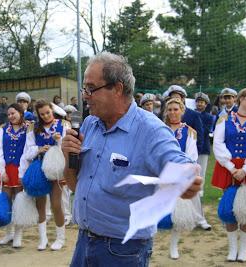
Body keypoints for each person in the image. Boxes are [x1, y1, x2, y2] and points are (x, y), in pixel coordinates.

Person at [62, 52, 202, 266]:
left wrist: (185, 175)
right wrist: (68, 159)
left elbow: (175, 159)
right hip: (84, 241)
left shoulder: (151, 130)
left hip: (122, 251)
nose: (85, 95)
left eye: (91, 88)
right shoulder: (90, 124)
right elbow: (76, 185)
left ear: (117, 89)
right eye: (84, 89)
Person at [212, 88, 246, 262]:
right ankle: (232, 248)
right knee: (229, 209)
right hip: (228, 168)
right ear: (241, 99)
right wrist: (231, 167)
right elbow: (218, 143)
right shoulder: (225, 119)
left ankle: (243, 250)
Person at [19, 99, 67, 251]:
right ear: (38, 115)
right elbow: (27, 151)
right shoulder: (33, 128)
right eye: (42, 114)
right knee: (40, 204)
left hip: (56, 168)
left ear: (52, 110)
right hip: (39, 169)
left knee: (56, 204)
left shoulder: (63, 125)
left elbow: (67, 148)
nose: (46, 116)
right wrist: (39, 150)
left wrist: (59, 142)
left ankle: (60, 238)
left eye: (48, 112)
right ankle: (43, 238)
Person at [162, 98, 204, 259]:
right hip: (161, 175)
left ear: (182, 111)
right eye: (170, 109)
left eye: (176, 109)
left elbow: (191, 156)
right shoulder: (160, 129)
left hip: (179, 177)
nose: (173, 112)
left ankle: (173, 246)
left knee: (177, 212)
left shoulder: (190, 132)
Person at [0, 103, 28, 247]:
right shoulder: (2, 130)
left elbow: (27, 151)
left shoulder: (28, 129)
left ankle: (18, 235)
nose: (11, 116)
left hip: (20, 169)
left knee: (19, 203)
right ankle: (9, 234)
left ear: (20, 112)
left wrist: (22, 172)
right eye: (9, 114)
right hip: (6, 169)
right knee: (6, 201)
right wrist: (2, 170)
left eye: (13, 113)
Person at [164, 85, 204, 154]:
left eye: (177, 98)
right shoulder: (166, 113)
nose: (174, 100)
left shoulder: (194, 114)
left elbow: (199, 136)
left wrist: (195, 153)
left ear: (183, 99)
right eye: (171, 98)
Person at [194, 92, 213, 230]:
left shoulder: (208, 117)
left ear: (206, 104)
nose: (200, 104)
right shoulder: (191, 115)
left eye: (202, 102)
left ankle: (199, 215)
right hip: (191, 150)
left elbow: (203, 131)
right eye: (198, 101)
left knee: (200, 179)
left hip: (203, 150)